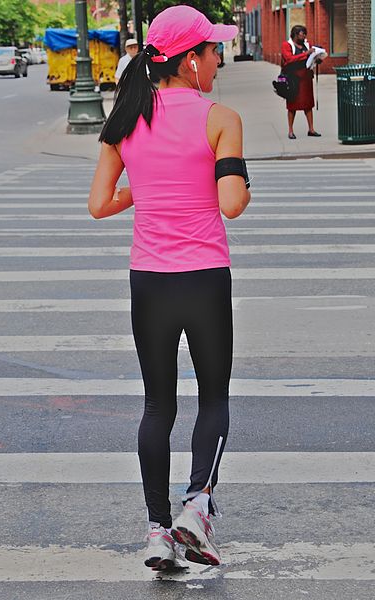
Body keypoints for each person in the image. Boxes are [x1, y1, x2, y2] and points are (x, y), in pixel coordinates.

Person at [88, 5, 251, 571]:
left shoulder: (125, 120)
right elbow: (231, 204)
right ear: (189, 61)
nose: (218, 59)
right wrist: (219, 172)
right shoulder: (220, 117)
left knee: (158, 404)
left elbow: (98, 206)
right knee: (214, 399)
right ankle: (197, 506)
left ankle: (158, 531)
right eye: (212, 51)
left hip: (149, 282)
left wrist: (147, 190)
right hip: (204, 277)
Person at [281, 25, 321, 140]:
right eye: (302, 34)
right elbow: (289, 59)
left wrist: (317, 58)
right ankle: (290, 131)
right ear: (295, 35)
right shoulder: (287, 45)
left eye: (305, 34)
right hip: (293, 78)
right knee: (292, 106)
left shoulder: (307, 45)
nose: (304, 36)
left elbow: (310, 58)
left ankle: (311, 129)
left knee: (308, 104)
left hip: (306, 78)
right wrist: (306, 54)